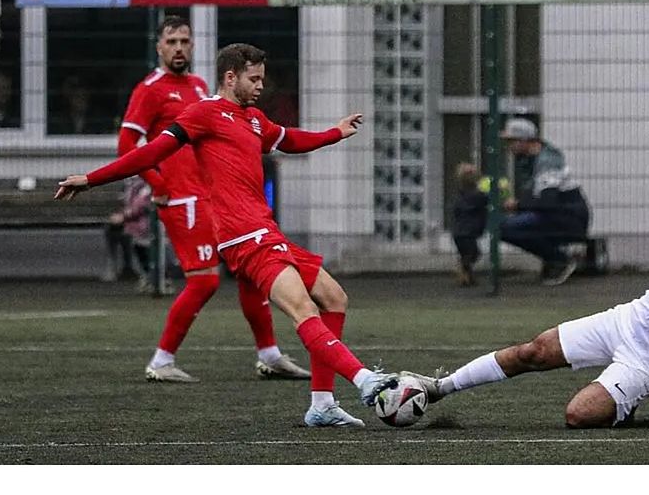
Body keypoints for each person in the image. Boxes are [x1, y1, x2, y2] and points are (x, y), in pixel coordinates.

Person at [56, 42, 398, 427]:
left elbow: (290, 140)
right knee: (303, 308)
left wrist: (334, 133)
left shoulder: (253, 119)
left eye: (263, 80)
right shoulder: (203, 113)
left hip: (267, 231)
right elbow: (150, 153)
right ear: (230, 77)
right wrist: (90, 179)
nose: (260, 87)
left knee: (335, 298)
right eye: (254, 79)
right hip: (243, 237)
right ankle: (366, 380)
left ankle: (322, 403)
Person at [406, 215, 649, 431]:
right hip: (621, 321)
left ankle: (623, 400)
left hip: (647, 363)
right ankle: (441, 387)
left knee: (578, 415)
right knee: (533, 350)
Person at [117, 16, 311, 384]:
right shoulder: (150, 89)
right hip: (182, 199)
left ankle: (269, 355)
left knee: (252, 275)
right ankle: (161, 360)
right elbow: (128, 143)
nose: (179, 47)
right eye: (171, 41)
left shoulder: (198, 86)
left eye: (184, 41)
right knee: (204, 281)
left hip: (215, 200)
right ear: (158, 46)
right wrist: (158, 184)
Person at [499, 117, 590, 286]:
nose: (509, 146)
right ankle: (555, 257)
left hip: (568, 219)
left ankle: (560, 259)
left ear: (524, 140)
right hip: (560, 216)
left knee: (504, 228)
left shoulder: (547, 162)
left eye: (512, 141)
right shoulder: (533, 160)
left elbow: (548, 202)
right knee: (507, 227)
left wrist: (518, 205)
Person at [450, 163, 488, 287]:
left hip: (462, 231)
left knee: (468, 254)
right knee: (473, 254)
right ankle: (463, 271)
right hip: (466, 232)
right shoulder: (475, 195)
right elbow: (482, 201)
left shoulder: (462, 194)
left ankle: (467, 278)